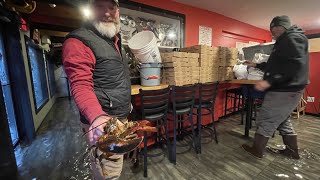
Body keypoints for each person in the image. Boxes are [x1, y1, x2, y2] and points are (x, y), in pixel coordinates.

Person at [62, 0, 132, 179]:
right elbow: (80, 84)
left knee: (112, 166)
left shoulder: (115, 41)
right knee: (108, 172)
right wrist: (97, 116)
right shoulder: (78, 40)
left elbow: (115, 79)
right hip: (102, 123)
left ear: (118, 11)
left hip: (119, 118)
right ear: (89, 10)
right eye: (99, 6)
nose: (107, 12)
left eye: (112, 7)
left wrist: (126, 103)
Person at [242, 15, 309, 159]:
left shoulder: (291, 39)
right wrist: (256, 65)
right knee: (282, 118)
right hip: (289, 88)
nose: (273, 33)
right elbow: (277, 65)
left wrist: (269, 81)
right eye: (272, 30)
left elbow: (293, 67)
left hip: (284, 89)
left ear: (280, 27)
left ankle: (257, 150)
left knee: (266, 118)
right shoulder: (288, 39)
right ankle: (292, 151)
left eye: (274, 30)